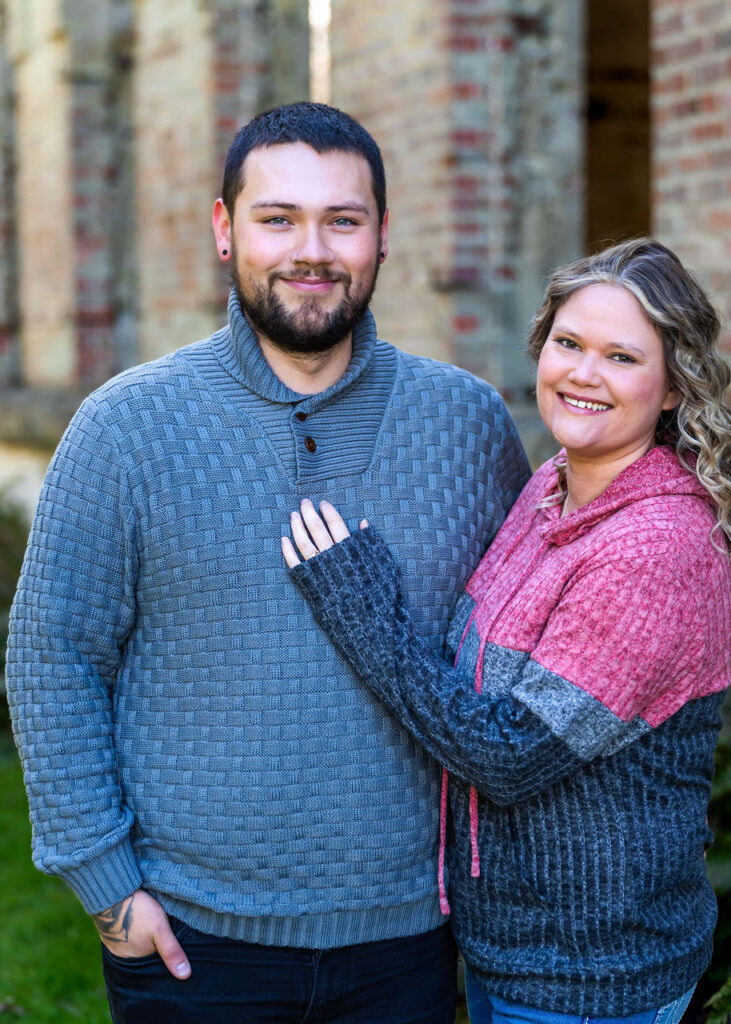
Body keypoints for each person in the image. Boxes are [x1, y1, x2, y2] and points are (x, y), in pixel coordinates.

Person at [6, 102, 530, 1024]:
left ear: (381, 237)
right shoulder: (125, 428)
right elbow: (53, 655)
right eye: (277, 218)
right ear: (225, 230)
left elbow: (521, 655)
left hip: (409, 942)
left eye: (343, 219)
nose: (311, 249)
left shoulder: (469, 425)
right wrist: (108, 889)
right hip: (192, 946)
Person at [282, 238, 731, 1024]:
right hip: (511, 953)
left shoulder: (654, 550)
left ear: (674, 385)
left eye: (620, 356)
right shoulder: (551, 486)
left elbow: (509, 753)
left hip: (589, 977)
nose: (582, 373)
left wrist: (362, 609)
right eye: (568, 343)